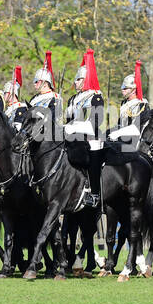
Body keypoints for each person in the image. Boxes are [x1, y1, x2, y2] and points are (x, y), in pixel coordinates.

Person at [63, 49, 105, 207]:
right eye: (75, 79)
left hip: (90, 137)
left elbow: (95, 121)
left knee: (93, 152)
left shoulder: (95, 96)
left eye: (79, 79)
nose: (75, 82)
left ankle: (94, 193)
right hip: (74, 138)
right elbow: (68, 121)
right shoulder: (73, 99)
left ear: (86, 79)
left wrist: (73, 126)